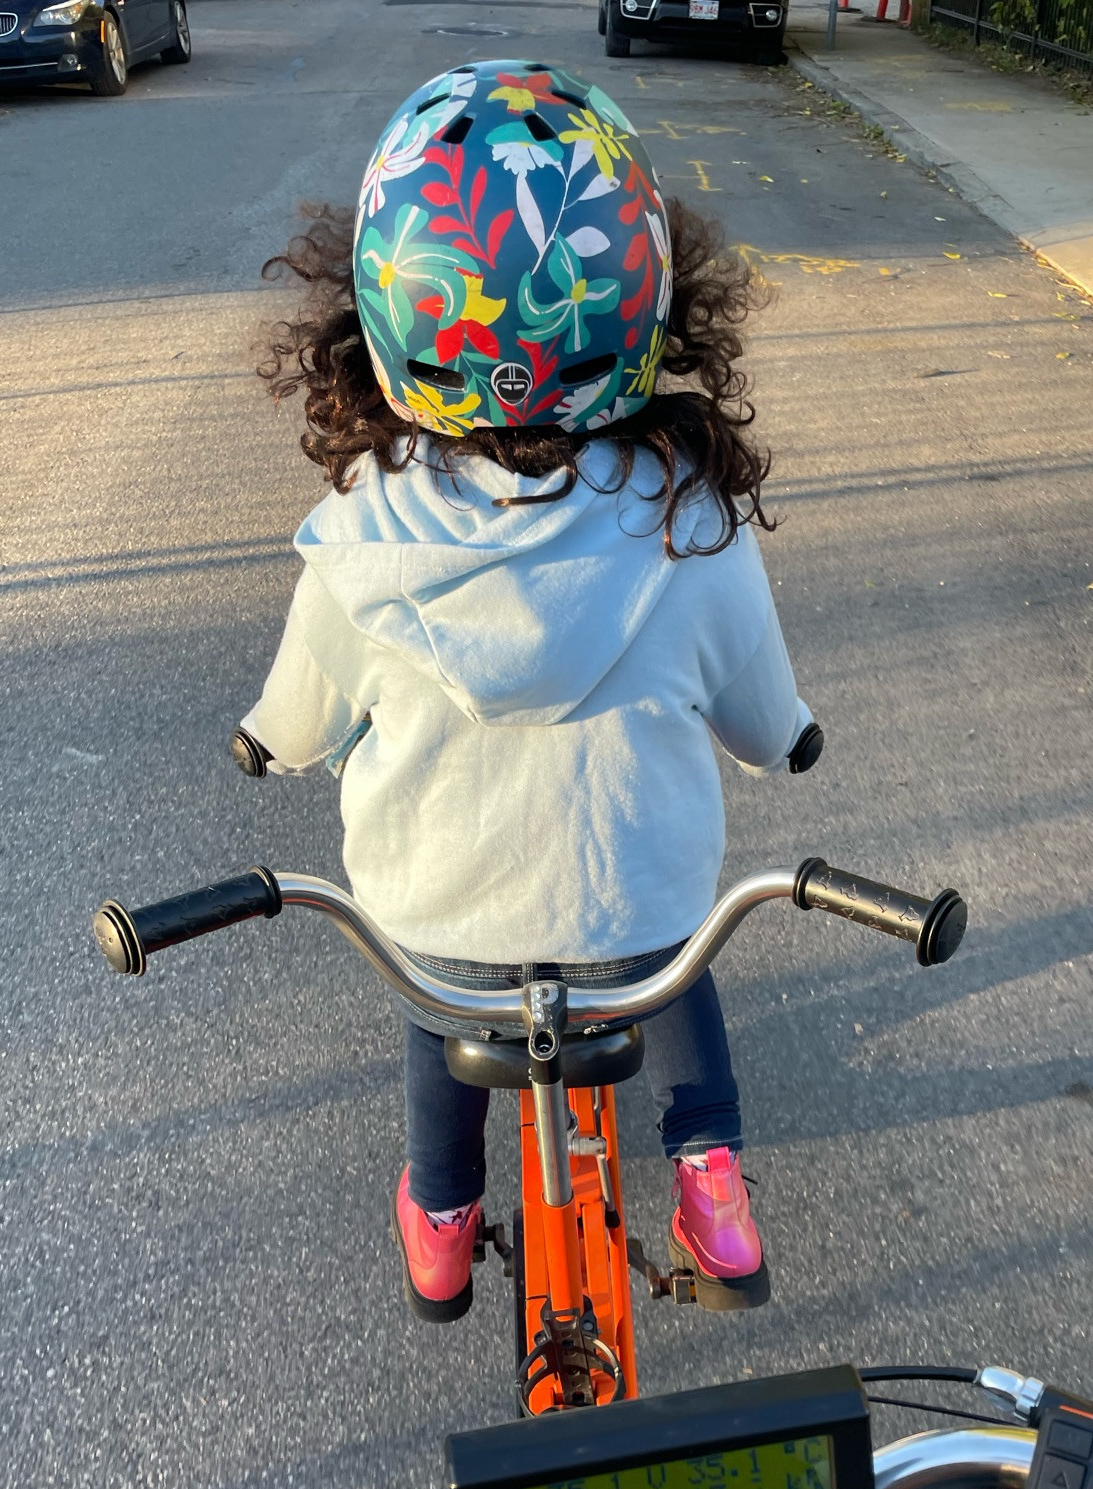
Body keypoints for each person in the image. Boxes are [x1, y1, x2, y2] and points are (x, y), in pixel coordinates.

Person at [238, 60, 811, 1325]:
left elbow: (296, 715)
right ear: (645, 294)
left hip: (440, 922)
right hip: (631, 914)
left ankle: (444, 1216)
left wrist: (266, 747)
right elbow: (769, 720)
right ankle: (709, 1172)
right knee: (669, 956)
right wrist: (789, 742)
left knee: (432, 1004)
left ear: (388, 308)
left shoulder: (362, 529)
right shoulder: (687, 516)